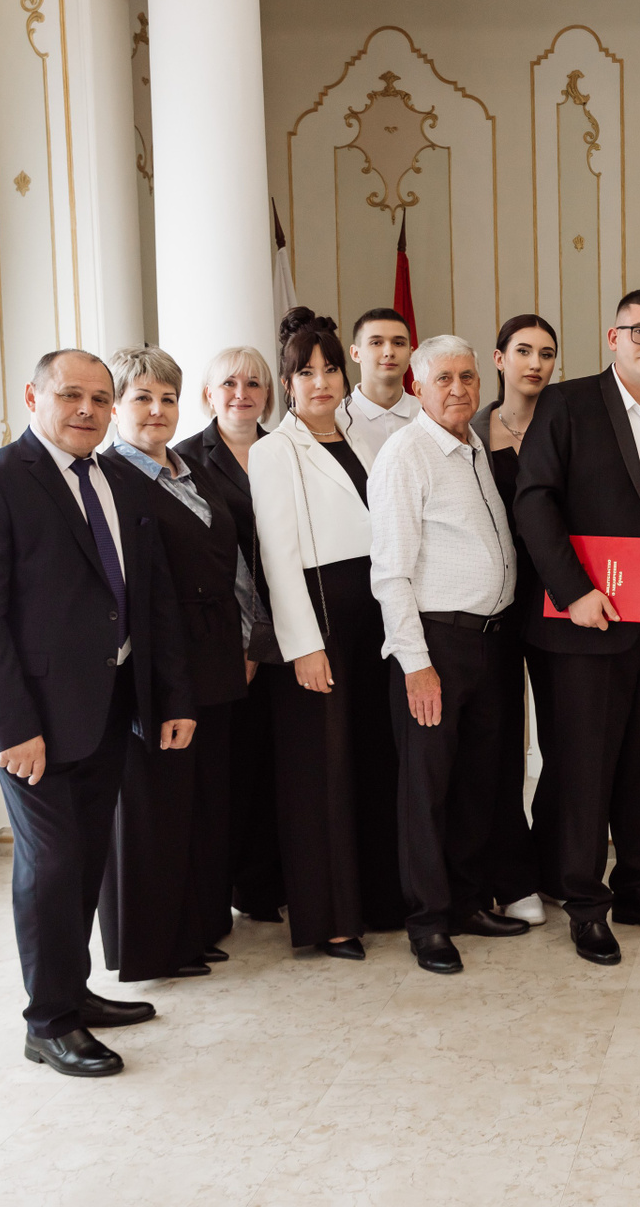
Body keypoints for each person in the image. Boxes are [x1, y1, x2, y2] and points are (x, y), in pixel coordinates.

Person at [0, 348, 194, 1078]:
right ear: (33, 397)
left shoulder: (121, 479)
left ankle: (71, 992)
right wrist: (13, 727)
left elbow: (151, 600)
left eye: (100, 398)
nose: (87, 409)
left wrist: (171, 697)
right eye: (70, 395)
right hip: (30, 721)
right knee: (51, 863)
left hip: (108, 708)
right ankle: (47, 1023)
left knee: (83, 859)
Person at [514, 289, 640, 965]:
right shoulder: (568, 405)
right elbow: (534, 501)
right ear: (613, 337)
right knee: (584, 768)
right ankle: (584, 902)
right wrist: (573, 592)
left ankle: (638, 890)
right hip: (588, 621)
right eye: (639, 332)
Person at [371, 334, 531, 975]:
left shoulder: (473, 447)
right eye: (444, 379)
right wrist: (416, 663)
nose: (459, 388)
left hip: (490, 640)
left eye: (467, 377)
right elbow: (390, 572)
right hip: (437, 643)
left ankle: (466, 901)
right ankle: (428, 922)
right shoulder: (405, 454)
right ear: (418, 386)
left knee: (476, 782)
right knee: (427, 788)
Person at [250, 307, 403, 959]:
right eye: (306, 372)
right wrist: (305, 647)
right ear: (288, 383)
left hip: (374, 614)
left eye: (330, 369)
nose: (321, 382)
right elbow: (277, 558)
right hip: (321, 619)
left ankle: (380, 899)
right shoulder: (273, 451)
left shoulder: (365, 440)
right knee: (322, 773)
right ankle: (331, 918)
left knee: (375, 759)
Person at [98, 347, 249, 981]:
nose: (157, 410)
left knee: (204, 802)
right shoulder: (107, 479)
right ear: (114, 408)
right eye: (142, 398)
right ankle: (151, 947)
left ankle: (197, 928)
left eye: (167, 398)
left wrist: (246, 642)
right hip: (156, 663)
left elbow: (231, 565)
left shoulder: (194, 469)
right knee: (152, 810)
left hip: (215, 655)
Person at [174, 345, 286, 926]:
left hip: (291, 632)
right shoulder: (184, 460)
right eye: (229, 384)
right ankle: (226, 890)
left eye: (254, 383)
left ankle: (267, 885)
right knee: (230, 771)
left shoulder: (287, 449)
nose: (242, 393)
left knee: (276, 765)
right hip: (227, 643)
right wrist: (246, 643)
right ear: (208, 395)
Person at [469, 313, 561, 927]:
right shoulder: (472, 431)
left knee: (564, 741)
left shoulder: (569, 421)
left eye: (546, 353)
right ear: (499, 359)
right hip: (494, 604)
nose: (535, 363)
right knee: (498, 744)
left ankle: (556, 866)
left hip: (560, 599)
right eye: (523, 351)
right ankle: (508, 876)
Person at [340, 307, 419, 466]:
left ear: (411, 354)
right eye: (376, 343)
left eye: (398, 343)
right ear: (355, 353)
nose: (389, 352)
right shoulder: (336, 418)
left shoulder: (429, 414)